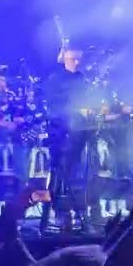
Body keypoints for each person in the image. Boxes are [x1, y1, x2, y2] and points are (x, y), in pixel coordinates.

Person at [41, 41, 96, 231]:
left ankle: (78, 211)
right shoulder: (55, 80)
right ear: (64, 57)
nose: (77, 62)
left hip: (80, 133)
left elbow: (88, 100)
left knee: (77, 174)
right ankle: (58, 212)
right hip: (61, 135)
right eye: (73, 59)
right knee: (61, 174)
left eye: (79, 59)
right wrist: (75, 110)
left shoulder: (81, 79)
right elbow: (53, 108)